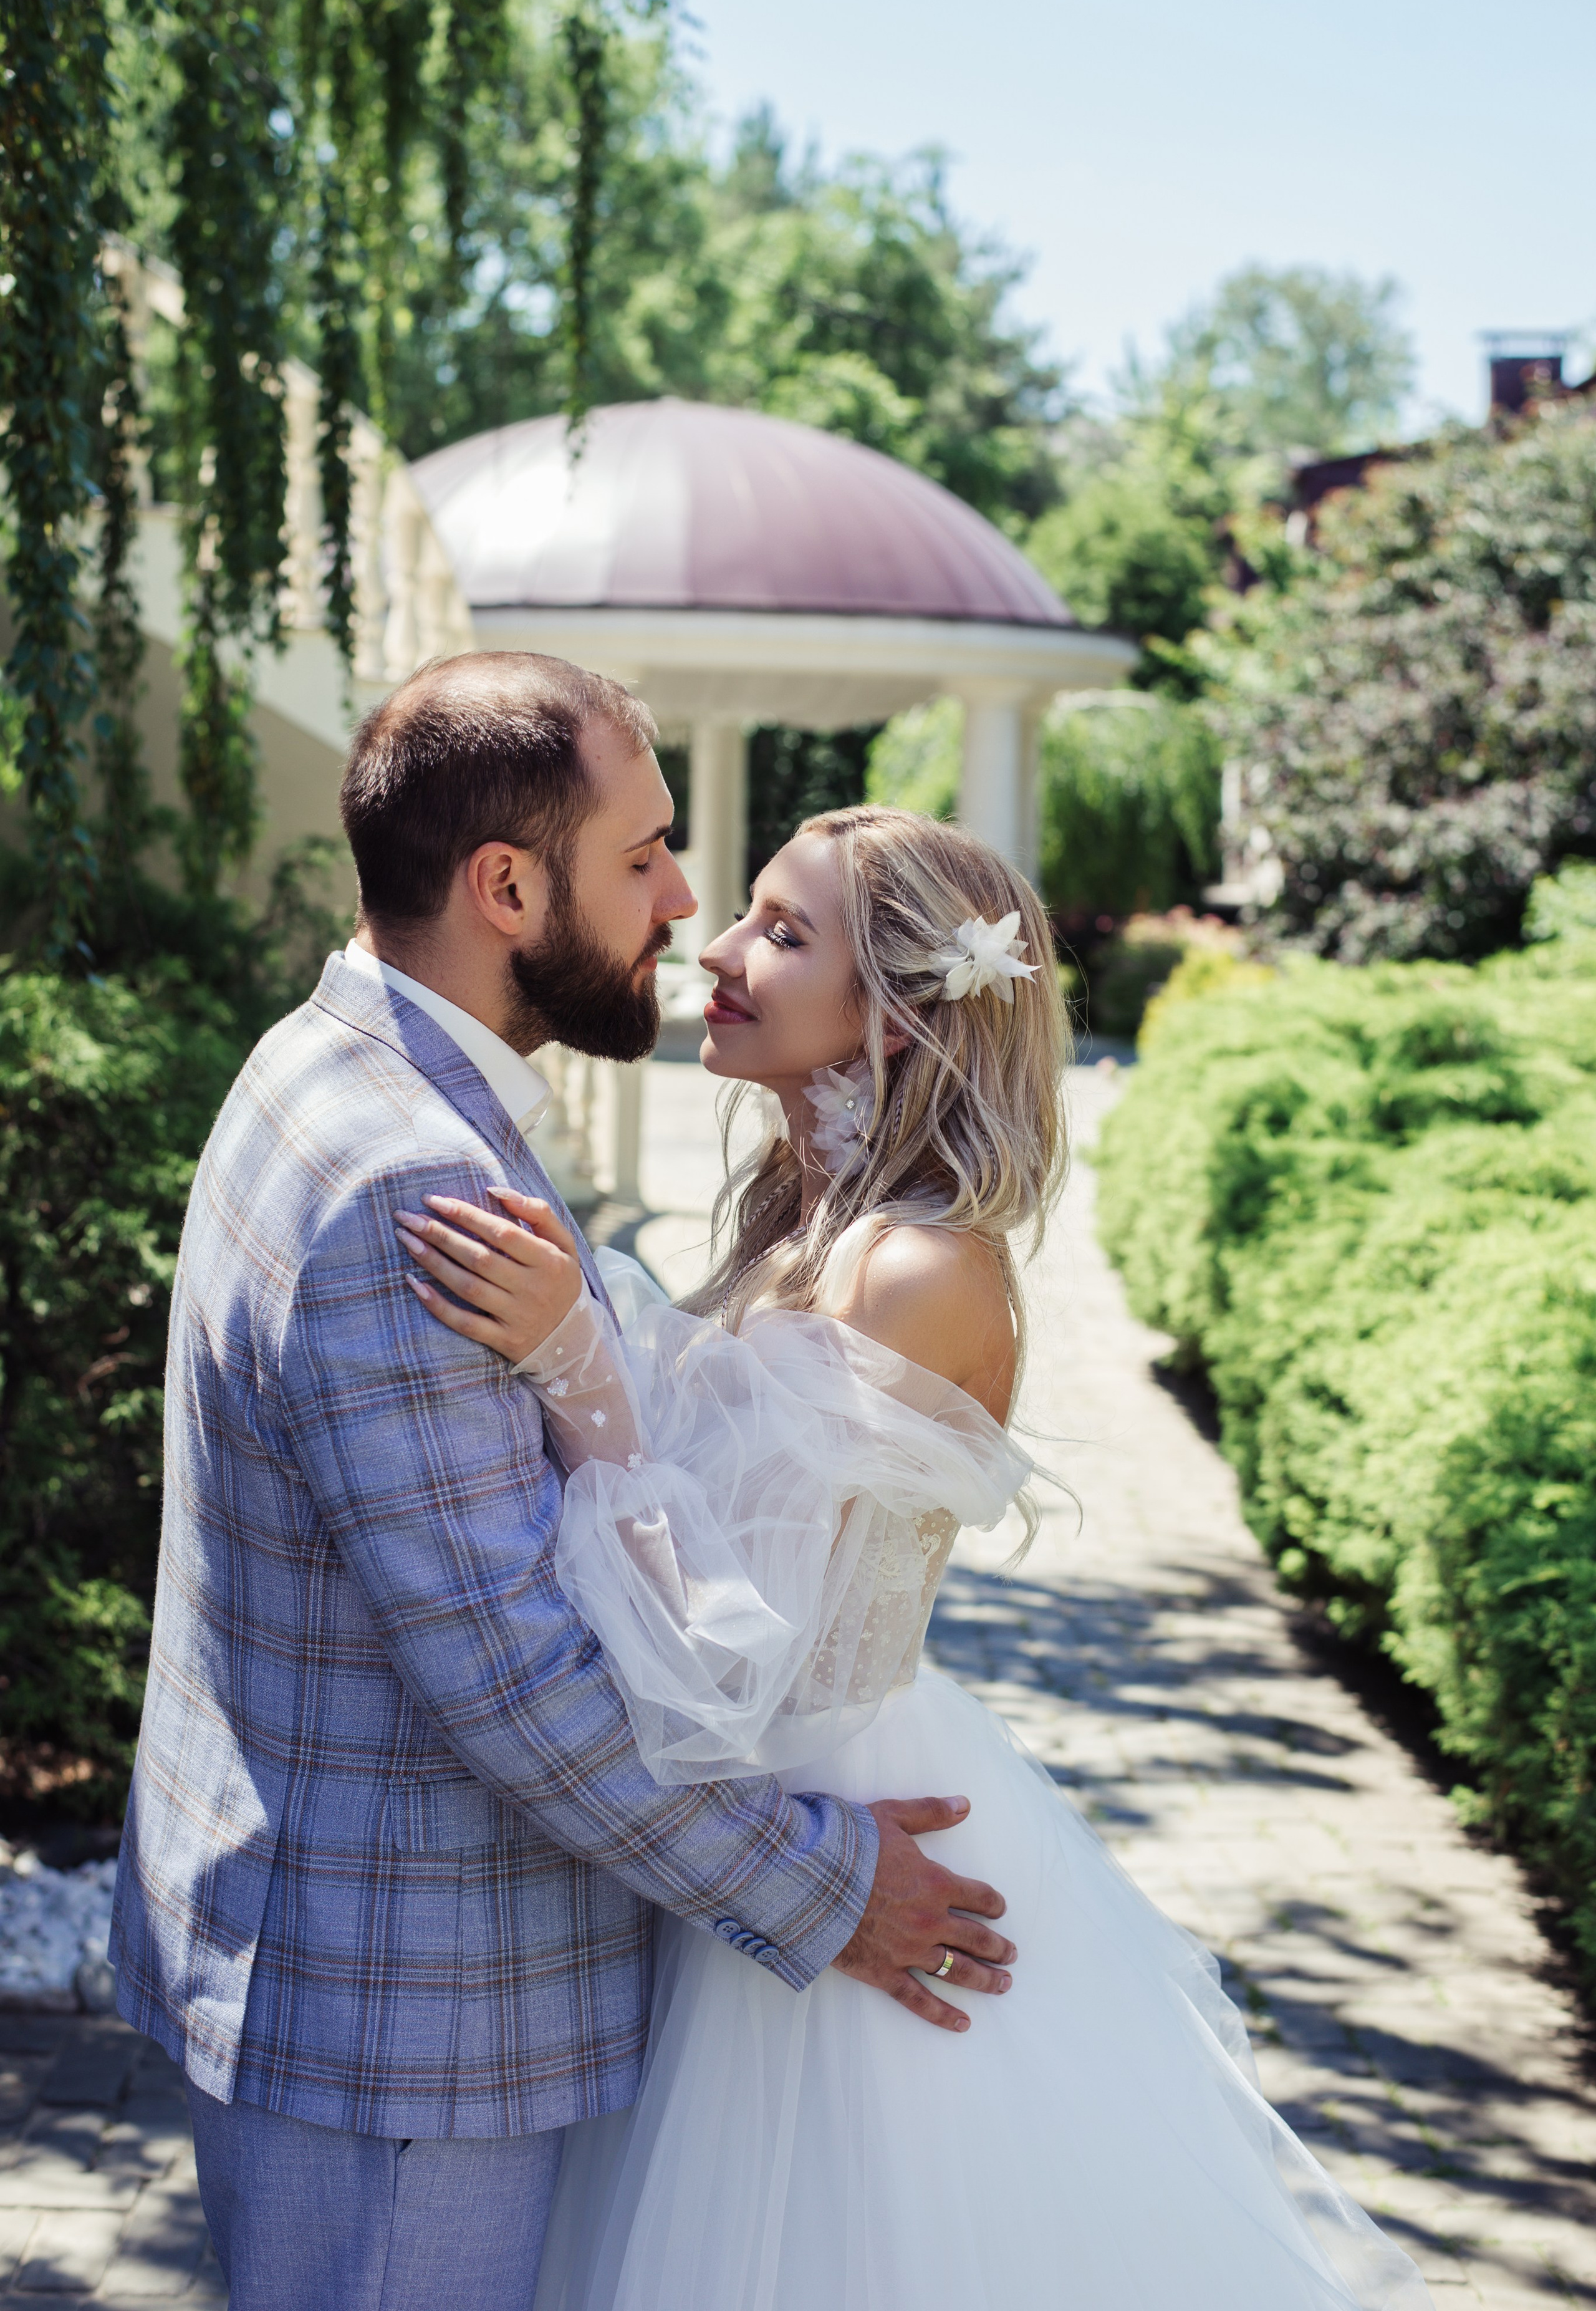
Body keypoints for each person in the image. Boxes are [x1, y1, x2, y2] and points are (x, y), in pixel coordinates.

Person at [401, 802, 1435, 2311]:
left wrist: (574, 1359)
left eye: (783, 930)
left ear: (895, 1013)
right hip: (744, 1832)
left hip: (843, 1832)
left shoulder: (920, 1268)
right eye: (747, 912)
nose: (723, 948)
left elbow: (728, 1650)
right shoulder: (805, 1217)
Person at [109, 655, 1017, 2311]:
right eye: (647, 856)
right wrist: (825, 1889)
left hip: (409, 1966)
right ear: (507, 886)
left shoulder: (341, 1062)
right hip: (404, 2020)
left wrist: (593, 1373)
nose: (688, 908)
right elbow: (522, 1685)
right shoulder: (412, 1183)